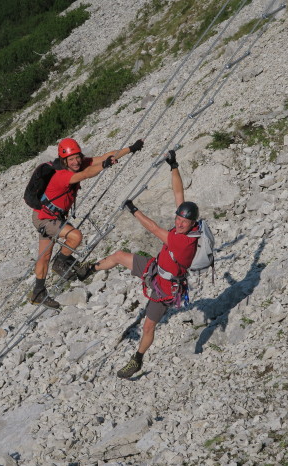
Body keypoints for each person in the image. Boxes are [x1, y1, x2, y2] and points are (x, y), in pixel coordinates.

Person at [77, 150, 199, 378]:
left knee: (148, 327)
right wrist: (173, 166)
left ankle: (137, 359)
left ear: (192, 224)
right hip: (155, 267)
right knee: (119, 255)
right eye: (178, 219)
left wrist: (133, 209)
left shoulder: (182, 242)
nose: (179, 223)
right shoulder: (189, 225)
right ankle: (88, 270)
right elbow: (179, 195)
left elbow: (152, 228)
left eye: (184, 221)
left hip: (165, 287)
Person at [29, 137, 145, 309]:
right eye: (71, 159)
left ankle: (38, 292)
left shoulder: (77, 164)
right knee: (75, 237)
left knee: (44, 256)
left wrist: (130, 148)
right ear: (64, 160)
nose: (76, 161)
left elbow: (105, 155)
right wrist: (104, 165)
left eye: (77, 157)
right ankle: (60, 263)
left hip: (49, 216)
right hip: (45, 219)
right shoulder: (62, 175)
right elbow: (85, 174)